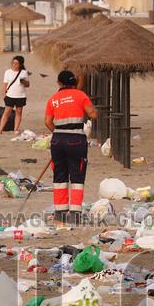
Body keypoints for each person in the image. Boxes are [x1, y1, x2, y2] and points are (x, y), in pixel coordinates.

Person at [44, 70, 97, 225]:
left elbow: (47, 122)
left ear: (59, 83)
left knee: (59, 176)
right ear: (74, 83)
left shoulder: (53, 99)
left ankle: (60, 212)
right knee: (77, 176)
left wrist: (59, 133)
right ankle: (74, 213)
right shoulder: (81, 95)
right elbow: (92, 114)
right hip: (76, 139)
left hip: (58, 140)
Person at [0, 55, 30, 135]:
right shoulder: (8, 72)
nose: (14, 65)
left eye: (16, 64)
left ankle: (16, 129)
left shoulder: (24, 72)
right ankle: (0, 129)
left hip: (20, 96)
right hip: (10, 95)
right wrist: (4, 94)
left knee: (18, 113)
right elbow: (5, 84)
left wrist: (24, 82)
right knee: (6, 113)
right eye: (13, 63)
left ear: (20, 64)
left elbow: (28, 85)